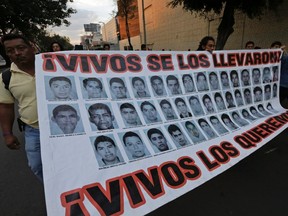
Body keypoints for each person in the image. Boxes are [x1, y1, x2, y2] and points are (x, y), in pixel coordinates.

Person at [0, 34, 42, 181]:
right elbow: (5, 107)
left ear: (32, 47)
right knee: (36, 165)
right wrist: (7, 134)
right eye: (10, 50)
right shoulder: (6, 77)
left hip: (66, 127)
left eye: (21, 48)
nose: (16, 53)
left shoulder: (52, 66)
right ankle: (55, 194)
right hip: (33, 130)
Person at [271, 41, 288, 106]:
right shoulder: (266, 56)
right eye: (275, 47)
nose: (277, 49)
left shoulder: (284, 57)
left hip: (282, 84)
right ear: (271, 48)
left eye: (278, 47)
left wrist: (283, 53)